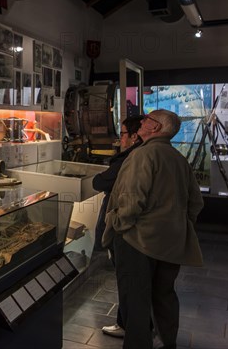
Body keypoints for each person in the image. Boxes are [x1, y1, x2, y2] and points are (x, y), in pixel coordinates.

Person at [102, 110, 204, 349]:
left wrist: (116, 223)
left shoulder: (142, 155)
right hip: (172, 242)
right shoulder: (178, 158)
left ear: (155, 128)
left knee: (136, 299)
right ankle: (167, 343)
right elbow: (196, 203)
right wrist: (177, 225)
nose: (142, 122)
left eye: (147, 120)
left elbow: (130, 202)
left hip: (138, 241)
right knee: (164, 296)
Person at [92, 115, 144, 338]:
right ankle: (132, 324)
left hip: (126, 227)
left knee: (127, 278)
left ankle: (131, 328)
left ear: (134, 136)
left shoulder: (130, 158)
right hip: (139, 230)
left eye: (122, 134)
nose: (119, 139)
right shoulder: (147, 154)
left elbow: (100, 182)